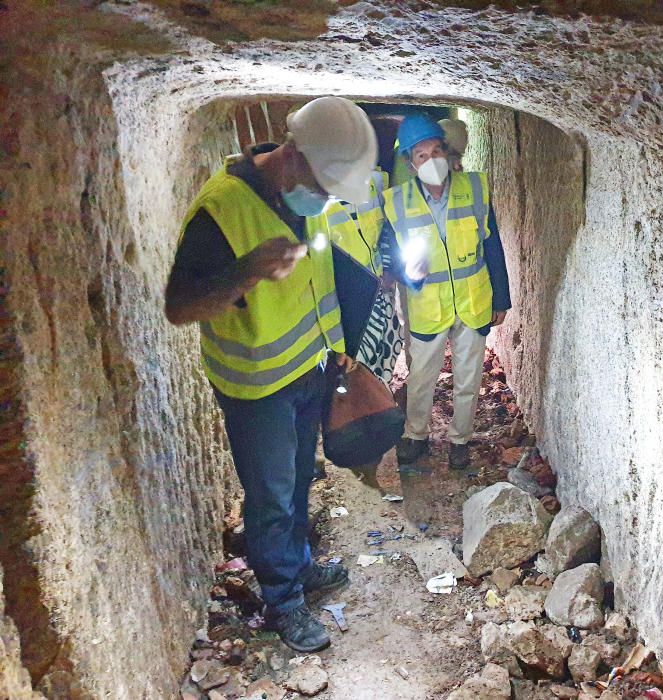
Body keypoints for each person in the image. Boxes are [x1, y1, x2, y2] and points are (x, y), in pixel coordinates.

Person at [164, 96, 377, 653]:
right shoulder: (220, 211)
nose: (327, 201)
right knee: (272, 496)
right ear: (292, 156)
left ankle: (298, 567)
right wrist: (244, 272)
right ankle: (282, 602)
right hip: (258, 388)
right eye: (325, 187)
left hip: (307, 370)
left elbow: (319, 278)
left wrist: (337, 349)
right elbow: (179, 306)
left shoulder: (305, 197)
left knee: (301, 476)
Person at [383, 113, 512, 469]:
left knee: (468, 378)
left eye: (436, 151)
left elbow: (492, 245)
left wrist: (501, 298)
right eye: (421, 156)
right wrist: (410, 276)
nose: (431, 161)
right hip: (428, 306)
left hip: (473, 300)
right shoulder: (395, 202)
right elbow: (394, 261)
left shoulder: (474, 188)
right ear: (410, 163)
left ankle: (460, 440)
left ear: (447, 152)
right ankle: (416, 435)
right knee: (421, 376)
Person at [323, 166, 402, 383]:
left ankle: (380, 404)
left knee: (383, 358)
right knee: (353, 366)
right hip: (345, 303)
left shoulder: (374, 181)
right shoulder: (315, 203)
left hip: (380, 292)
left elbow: (388, 227)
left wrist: (389, 268)